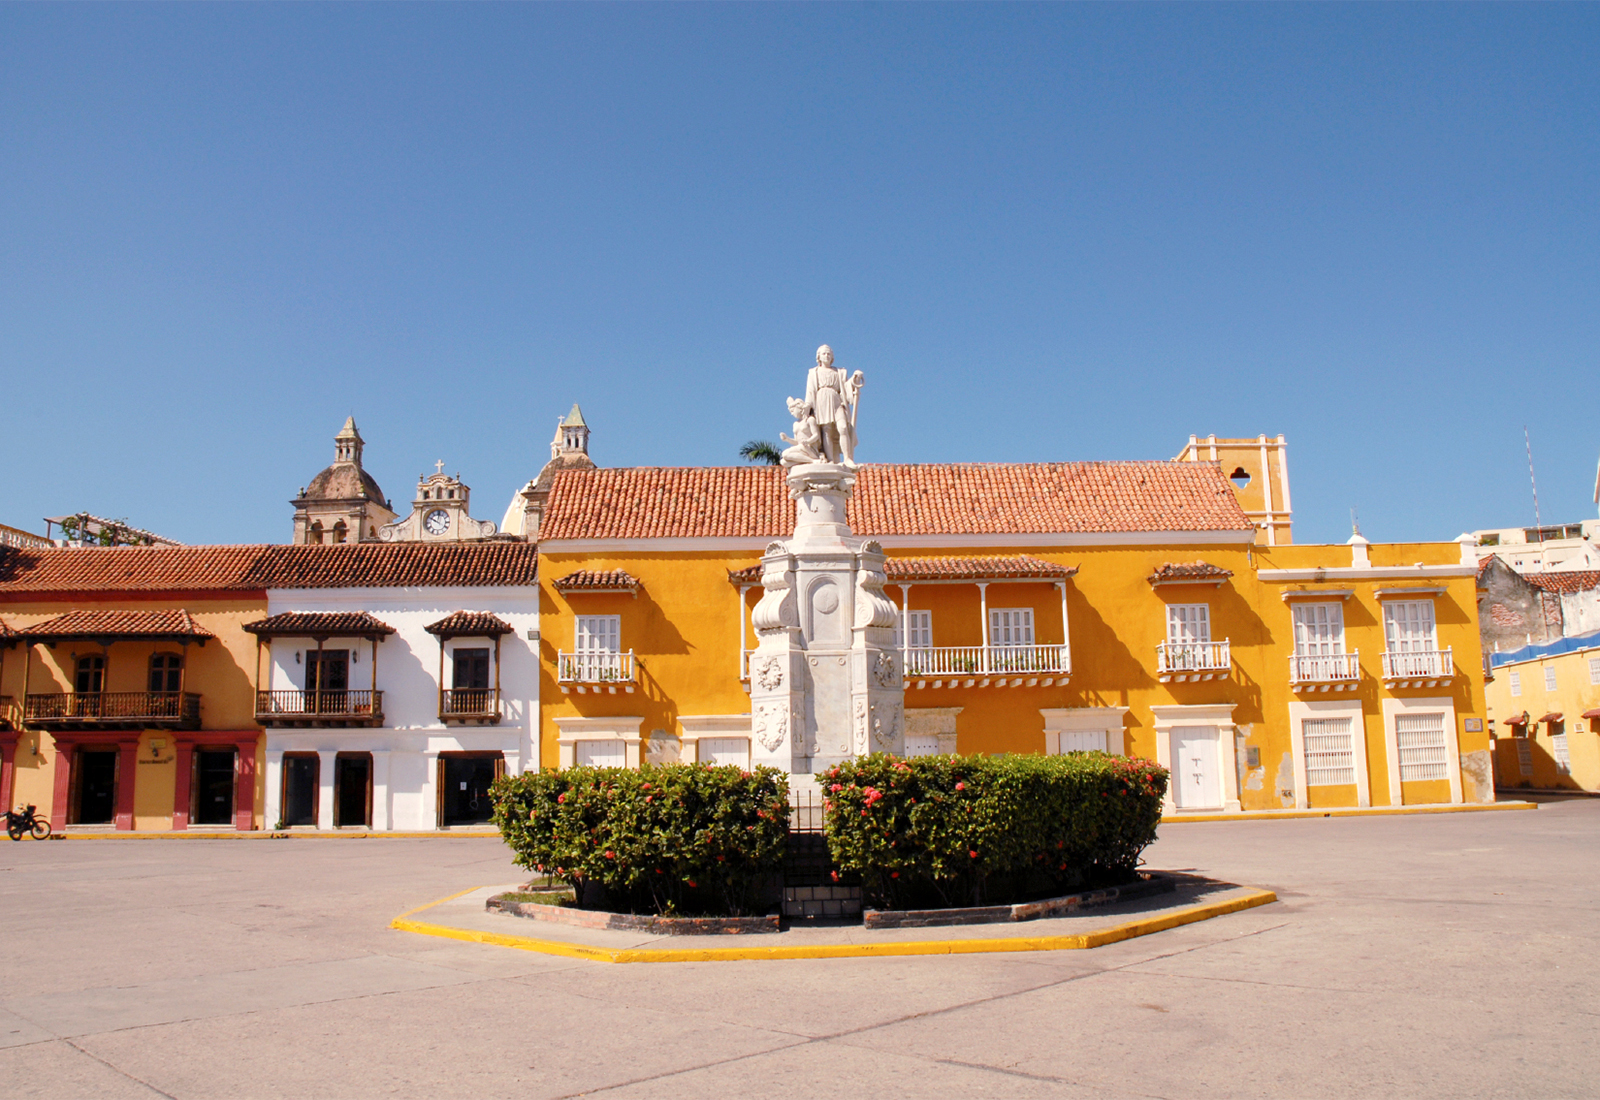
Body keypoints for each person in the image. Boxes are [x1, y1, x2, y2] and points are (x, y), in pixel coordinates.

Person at [803, 345, 864, 467]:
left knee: (843, 427)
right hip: (821, 401)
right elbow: (810, 391)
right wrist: (808, 405)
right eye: (824, 353)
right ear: (819, 357)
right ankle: (830, 459)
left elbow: (845, 388)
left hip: (837, 401)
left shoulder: (839, 372)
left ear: (832, 357)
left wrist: (854, 380)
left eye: (829, 354)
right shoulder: (814, 372)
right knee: (827, 431)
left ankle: (847, 458)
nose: (827, 356)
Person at [780, 397, 823, 466]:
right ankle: (807, 461)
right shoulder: (795, 424)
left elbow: (816, 435)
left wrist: (808, 441)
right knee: (783, 462)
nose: (792, 413)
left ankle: (812, 460)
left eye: (792, 411)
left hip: (809, 448)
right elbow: (797, 442)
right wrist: (787, 439)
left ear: (799, 408)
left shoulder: (810, 419)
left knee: (785, 454)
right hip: (800, 447)